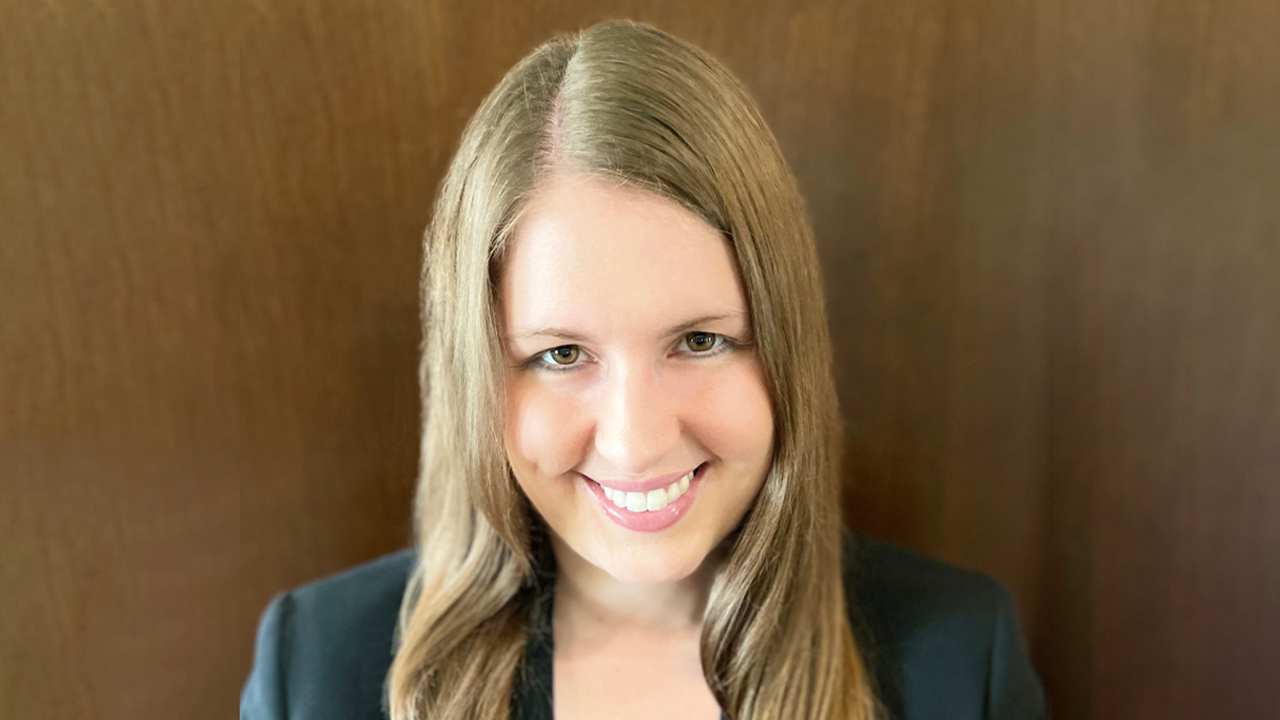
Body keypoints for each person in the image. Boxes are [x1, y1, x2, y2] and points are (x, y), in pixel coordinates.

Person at [241, 20, 1049, 720]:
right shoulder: (314, 675)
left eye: (699, 341)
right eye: (560, 355)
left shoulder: (959, 662)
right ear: (479, 377)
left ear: (784, 344)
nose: (634, 444)